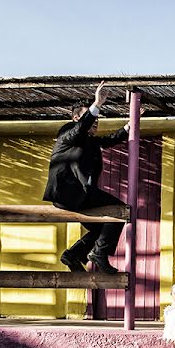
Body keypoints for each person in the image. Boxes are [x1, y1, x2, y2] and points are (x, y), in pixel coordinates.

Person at [43, 82, 132, 275]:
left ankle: (72, 255)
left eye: (98, 120)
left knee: (102, 228)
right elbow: (80, 128)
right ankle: (99, 253)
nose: (96, 121)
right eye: (92, 118)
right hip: (68, 194)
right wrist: (97, 103)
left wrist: (130, 125)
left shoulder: (90, 141)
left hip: (79, 197)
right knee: (118, 210)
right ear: (76, 117)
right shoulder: (67, 132)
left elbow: (110, 139)